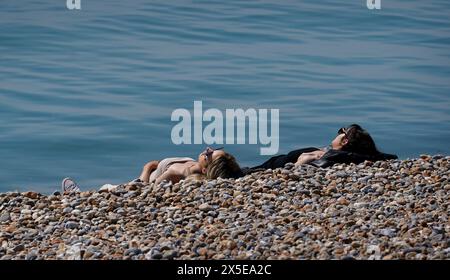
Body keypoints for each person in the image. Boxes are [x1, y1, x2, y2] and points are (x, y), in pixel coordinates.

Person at [62, 147, 243, 193]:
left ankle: (77, 196)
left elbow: (146, 190)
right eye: (211, 149)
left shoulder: (178, 174)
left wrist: (147, 168)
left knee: (106, 187)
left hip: (136, 184)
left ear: (205, 170)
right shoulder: (193, 167)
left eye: (209, 154)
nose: (207, 149)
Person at [243, 124, 397, 174]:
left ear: (345, 140)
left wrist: (301, 163)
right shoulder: (346, 155)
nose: (337, 134)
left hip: (262, 171)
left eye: (341, 132)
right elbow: (389, 157)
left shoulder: (329, 157)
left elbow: (302, 165)